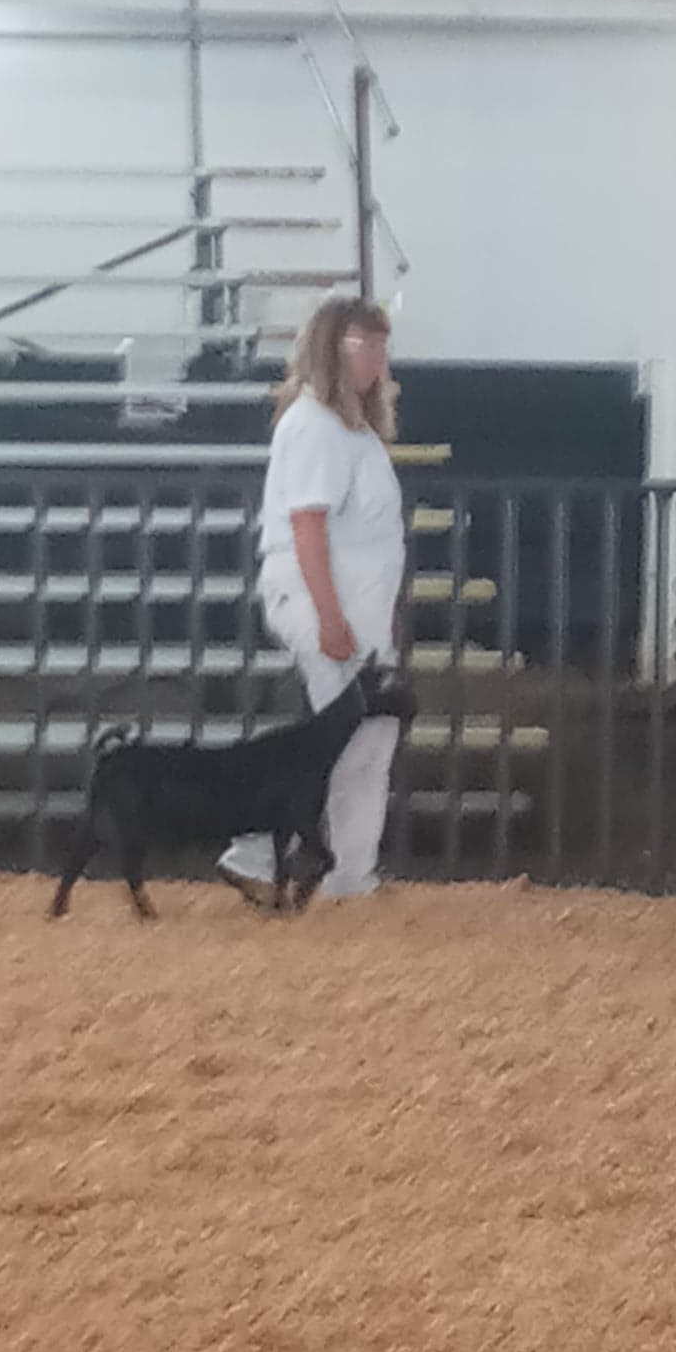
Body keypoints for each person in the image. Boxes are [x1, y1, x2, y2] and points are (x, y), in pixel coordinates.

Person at [217, 297, 406, 904]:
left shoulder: (351, 429)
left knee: (362, 737)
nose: (376, 357)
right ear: (332, 349)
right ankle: (263, 855)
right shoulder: (317, 426)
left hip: (356, 608)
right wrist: (328, 616)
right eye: (363, 344)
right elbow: (308, 528)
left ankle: (346, 873)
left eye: (380, 345)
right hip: (323, 601)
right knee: (347, 739)